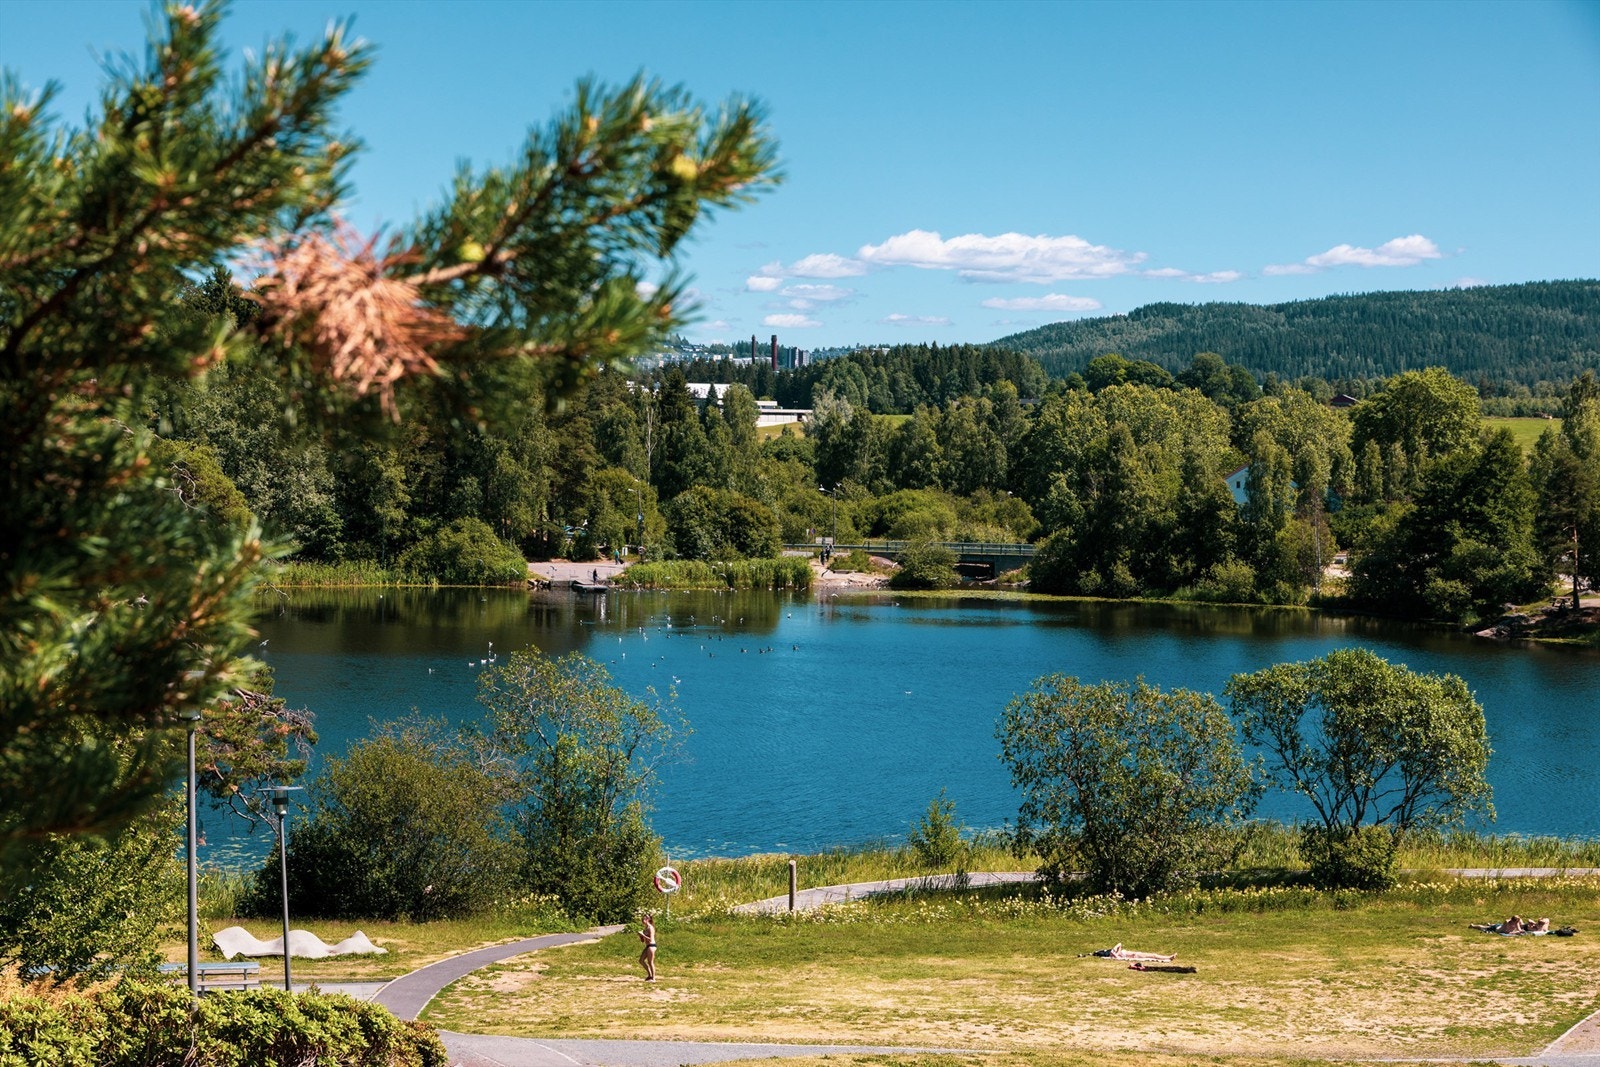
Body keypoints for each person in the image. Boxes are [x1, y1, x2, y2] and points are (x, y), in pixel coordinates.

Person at [638, 912, 657, 981]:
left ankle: (653, 978)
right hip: (647, 946)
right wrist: (640, 936)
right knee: (641, 960)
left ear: (648, 919)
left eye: (644, 919)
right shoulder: (645, 928)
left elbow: (650, 939)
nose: (643, 920)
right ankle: (649, 975)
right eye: (642, 919)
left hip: (651, 946)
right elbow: (643, 941)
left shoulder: (650, 928)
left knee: (650, 962)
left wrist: (643, 934)